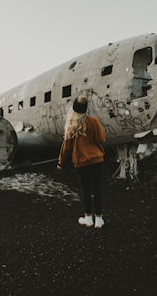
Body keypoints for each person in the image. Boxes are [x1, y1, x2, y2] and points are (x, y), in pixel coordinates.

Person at [57, 95, 106, 228]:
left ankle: (88, 218)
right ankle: (99, 219)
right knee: (97, 189)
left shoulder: (71, 125)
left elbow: (66, 146)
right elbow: (101, 139)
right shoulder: (94, 121)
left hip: (81, 163)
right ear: (85, 109)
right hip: (97, 160)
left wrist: (61, 162)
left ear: (74, 109)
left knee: (86, 190)